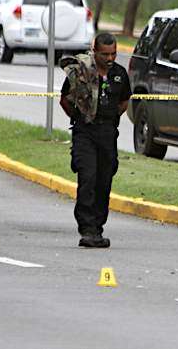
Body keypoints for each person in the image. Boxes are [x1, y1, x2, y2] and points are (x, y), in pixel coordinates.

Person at [59, 33, 131, 248]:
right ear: (94, 51)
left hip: (108, 134)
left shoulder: (119, 74)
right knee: (88, 176)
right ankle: (87, 228)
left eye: (113, 54)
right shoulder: (82, 71)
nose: (110, 59)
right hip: (85, 132)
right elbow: (64, 99)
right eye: (105, 54)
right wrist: (80, 117)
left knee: (104, 180)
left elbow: (124, 101)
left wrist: (109, 119)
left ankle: (98, 228)